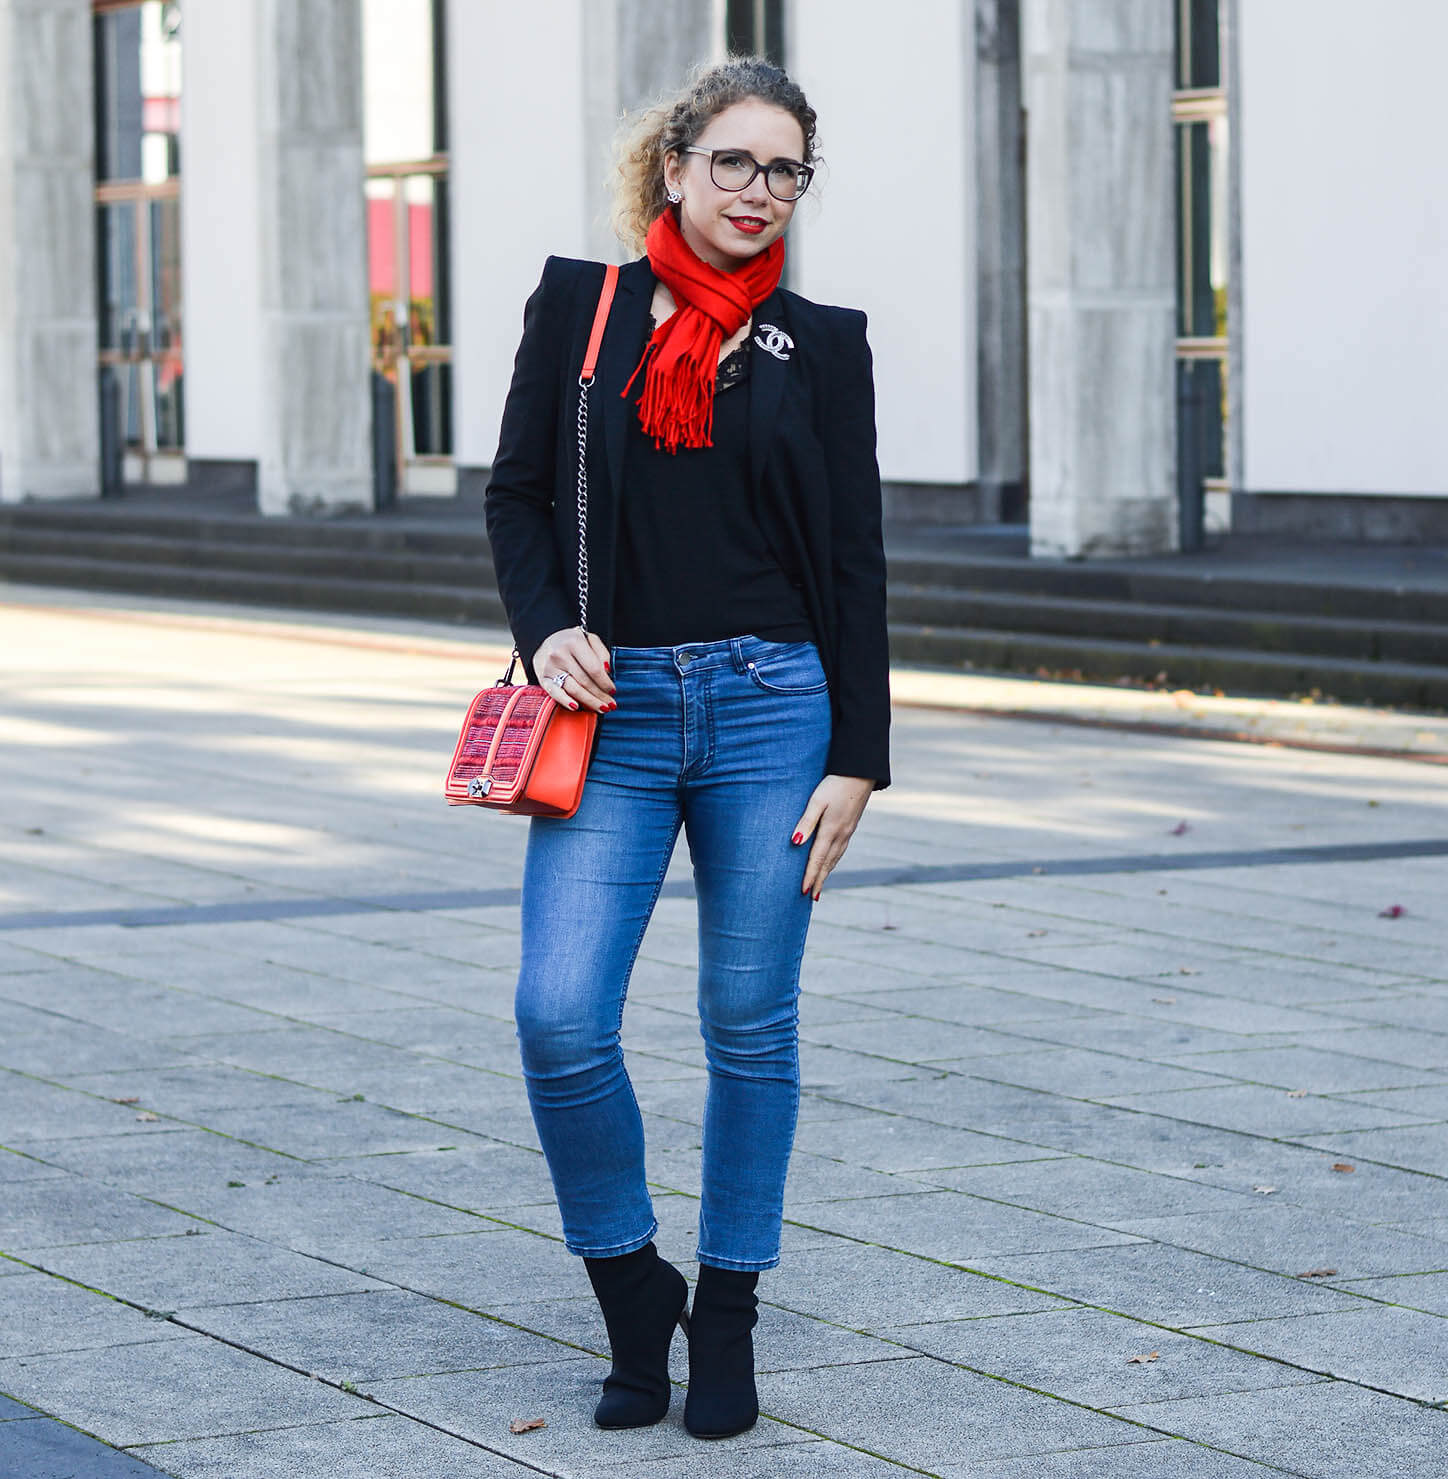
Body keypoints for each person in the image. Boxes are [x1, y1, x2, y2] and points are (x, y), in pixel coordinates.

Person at [483, 55, 890, 1441]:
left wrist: (862, 754)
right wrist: (544, 634)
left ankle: (725, 1314)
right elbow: (519, 494)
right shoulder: (582, 308)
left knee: (749, 1024)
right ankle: (628, 1290)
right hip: (612, 714)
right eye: (735, 163)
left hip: (778, 708)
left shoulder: (819, 344)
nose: (759, 193)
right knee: (557, 1016)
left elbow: (854, 560)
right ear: (674, 165)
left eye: (785, 171)